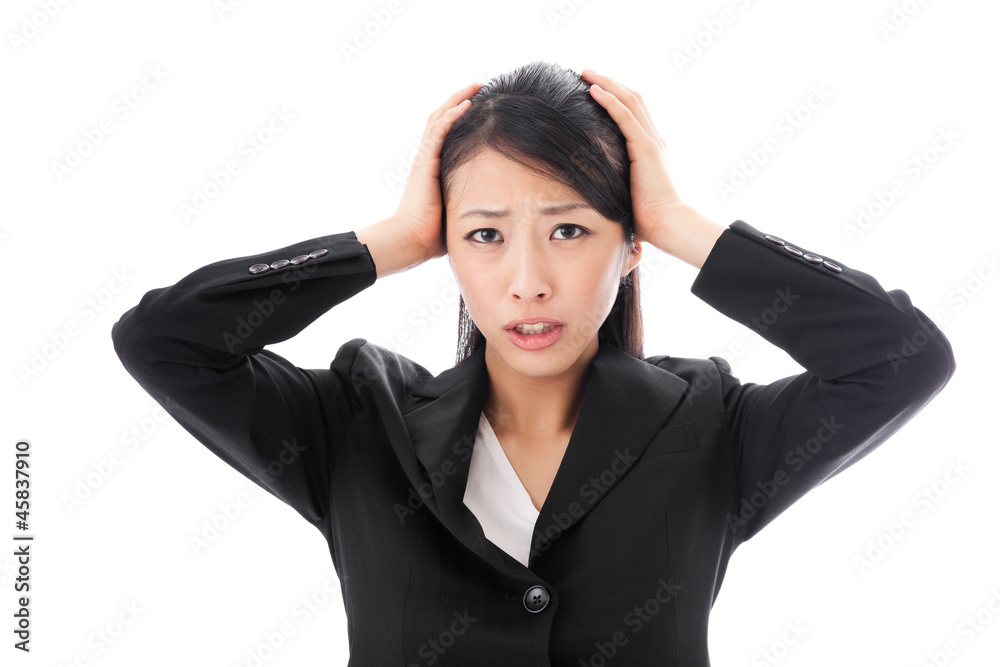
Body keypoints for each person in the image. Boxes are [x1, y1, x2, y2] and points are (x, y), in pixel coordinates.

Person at [110, 61, 956, 665]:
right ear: (448, 244)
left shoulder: (712, 427)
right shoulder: (358, 423)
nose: (526, 282)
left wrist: (678, 222)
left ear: (629, 247)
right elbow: (163, 340)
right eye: (484, 234)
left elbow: (903, 356)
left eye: (571, 229)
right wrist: (391, 242)